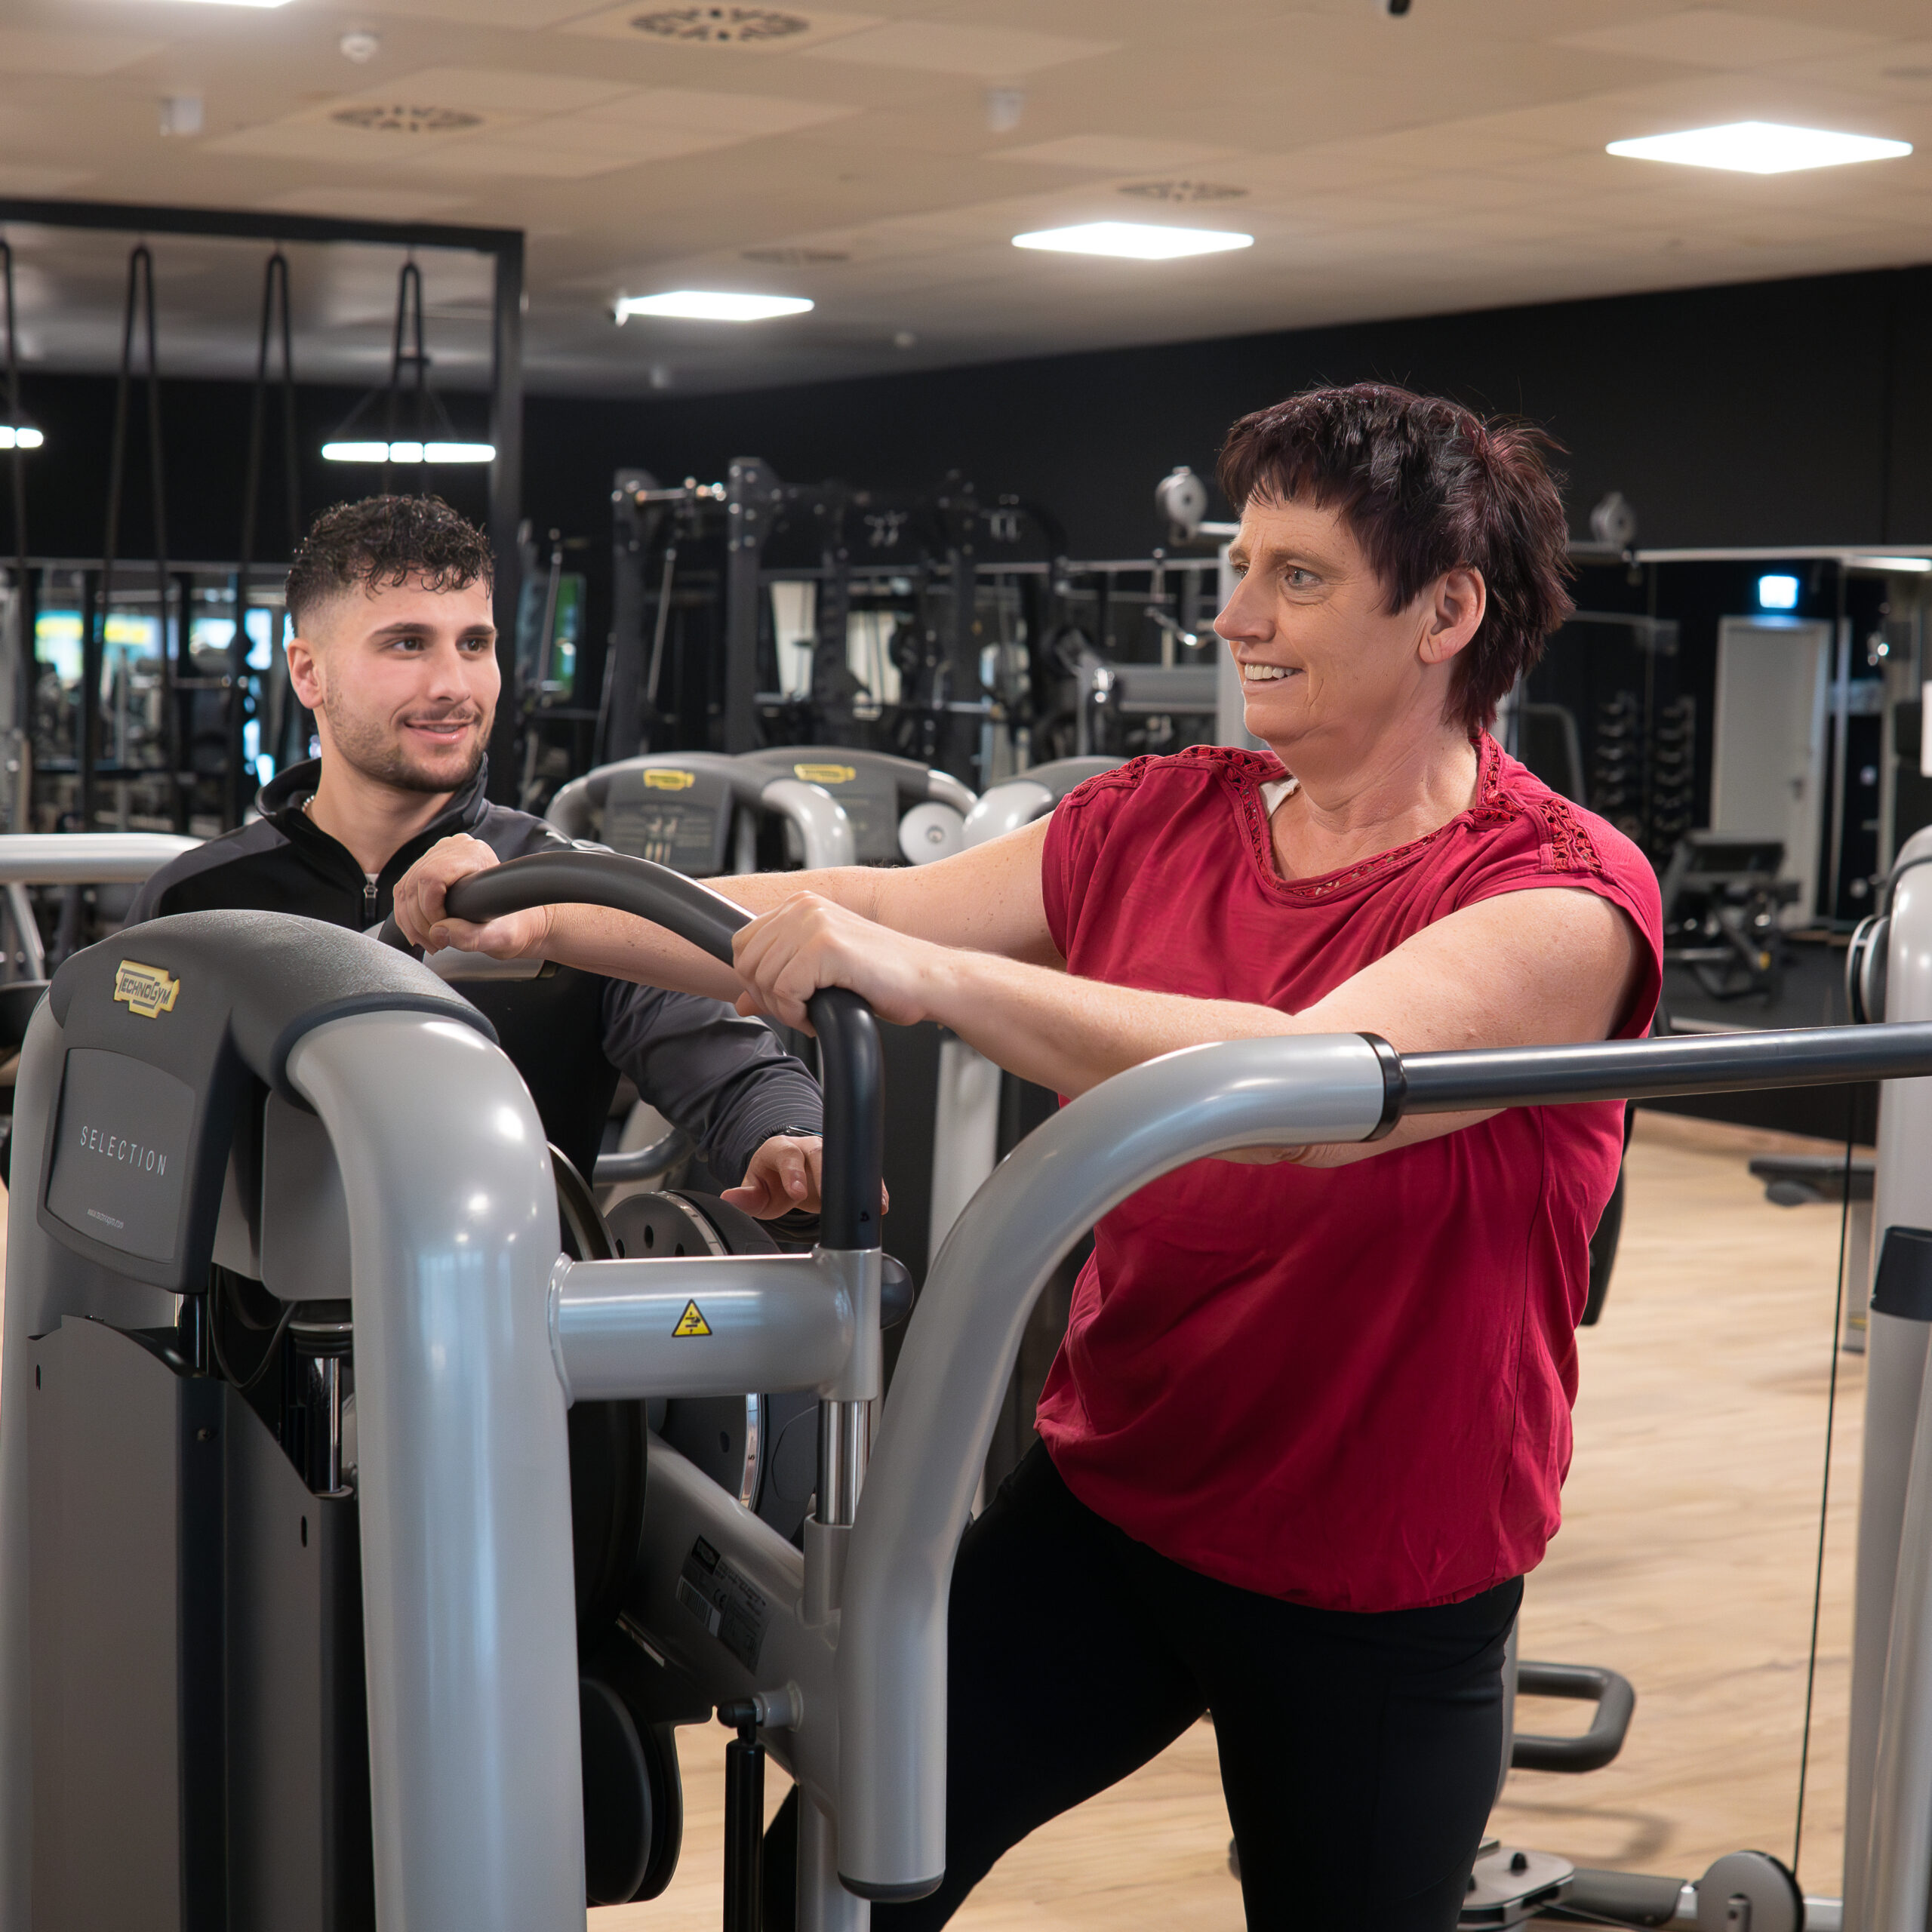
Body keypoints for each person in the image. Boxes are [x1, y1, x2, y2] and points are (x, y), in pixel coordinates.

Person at [393, 385, 1663, 1930]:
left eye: (1298, 576)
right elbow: (847, 908)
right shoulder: (1163, 818)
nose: (1236, 614)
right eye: (1239, 565)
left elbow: (1297, 1081)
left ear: (1445, 612)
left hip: (1378, 1575)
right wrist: (542, 904)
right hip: (1113, 1505)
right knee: (827, 1884)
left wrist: (935, 980)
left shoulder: (1560, 897)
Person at [131, 495, 825, 1220]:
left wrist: (786, 1136)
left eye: (474, 644)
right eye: (407, 644)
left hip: (512, 1287)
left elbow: (734, 1068)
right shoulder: (192, 902)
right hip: (256, 1295)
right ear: (309, 673)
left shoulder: (563, 890)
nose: (454, 687)